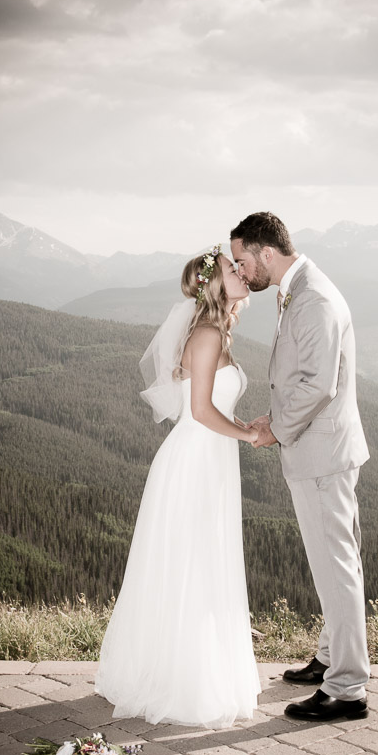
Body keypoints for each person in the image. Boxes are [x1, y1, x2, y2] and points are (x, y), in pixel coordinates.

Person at [94, 246, 262, 728]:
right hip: (195, 461)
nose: (241, 272)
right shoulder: (207, 334)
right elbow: (203, 411)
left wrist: (241, 425)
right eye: (233, 268)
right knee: (193, 565)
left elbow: (212, 408)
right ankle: (183, 682)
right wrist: (248, 433)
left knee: (204, 564)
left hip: (210, 457)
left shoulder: (216, 330)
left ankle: (196, 670)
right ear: (214, 282)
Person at [230, 212, 371, 722]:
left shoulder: (313, 298)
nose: (242, 271)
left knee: (336, 570)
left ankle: (348, 689)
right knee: (337, 564)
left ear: (267, 253)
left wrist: (274, 427)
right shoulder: (301, 288)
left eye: (244, 260)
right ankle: (331, 659)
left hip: (321, 455)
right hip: (321, 447)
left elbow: (318, 384)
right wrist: (277, 414)